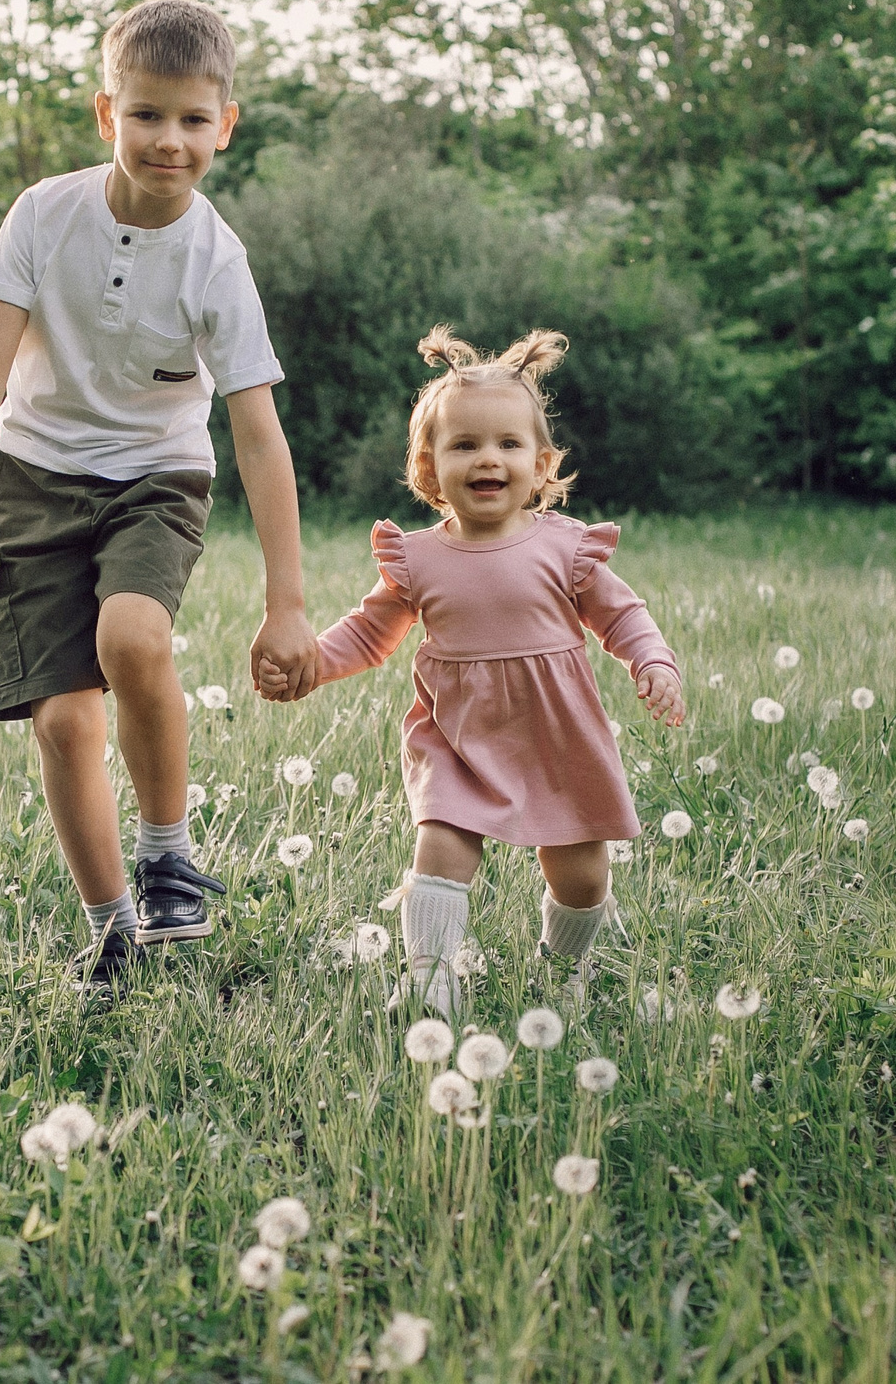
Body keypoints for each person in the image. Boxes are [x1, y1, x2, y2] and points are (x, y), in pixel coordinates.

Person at [0, 0, 319, 996]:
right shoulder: (45, 214)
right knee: (61, 723)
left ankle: (167, 854)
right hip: (33, 478)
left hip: (156, 477)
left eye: (192, 119)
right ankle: (110, 935)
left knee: (132, 638)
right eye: (146, 114)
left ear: (226, 127)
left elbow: (259, 434)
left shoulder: (216, 262)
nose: (168, 139)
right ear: (107, 113)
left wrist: (286, 602)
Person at [260, 326, 685, 1017]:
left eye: (508, 444)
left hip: (556, 733)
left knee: (581, 873)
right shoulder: (418, 559)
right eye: (464, 445)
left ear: (540, 466)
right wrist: (311, 663)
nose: (488, 457)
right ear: (430, 468)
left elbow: (623, 615)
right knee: (440, 848)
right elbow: (369, 633)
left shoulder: (565, 549)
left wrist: (654, 660)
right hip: (457, 736)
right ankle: (430, 981)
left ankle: (565, 966)